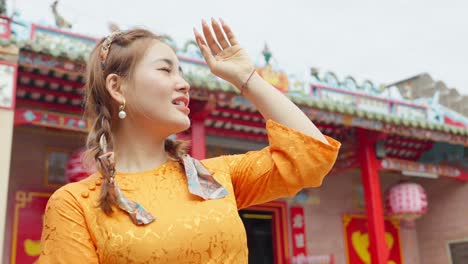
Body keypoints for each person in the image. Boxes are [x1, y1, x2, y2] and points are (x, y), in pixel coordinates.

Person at [37, 18, 340, 263]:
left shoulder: (218, 178)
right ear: (117, 87)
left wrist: (247, 78)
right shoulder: (75, 205)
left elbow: (311, 157)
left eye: (181, 72)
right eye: (165, 70)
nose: (184, 84)